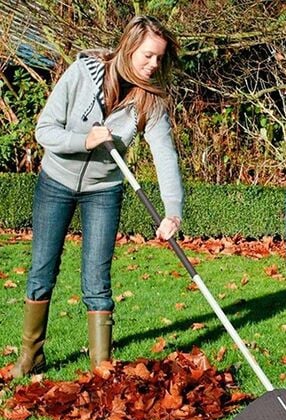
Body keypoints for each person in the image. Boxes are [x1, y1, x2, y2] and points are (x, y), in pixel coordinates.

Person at [12, 16, 184, 378]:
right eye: (149, 56)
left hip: (103, 191)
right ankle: (30, 356)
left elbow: (165, 156)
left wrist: (173, 213)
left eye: (159, 59)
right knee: (42, 270)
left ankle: (101, 369)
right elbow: (45, 130)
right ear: (130, 46)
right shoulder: (82, 73)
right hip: (55, 182)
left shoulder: (149, 102)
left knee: (97, 279)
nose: (154, 65)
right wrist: (84, 141)